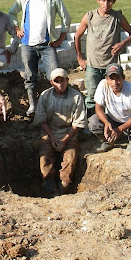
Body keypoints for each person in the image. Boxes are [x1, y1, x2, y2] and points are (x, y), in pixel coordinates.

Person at [9, 0, 71, 116]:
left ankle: (55, 105)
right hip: (27, 44)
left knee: (55, 74)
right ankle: (33, 106)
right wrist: (17, 29)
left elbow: (66, 18)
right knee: (30, 76)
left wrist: (61, 38)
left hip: (46, 44)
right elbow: (12, 12)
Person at [74, 0, 131, 117]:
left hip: (111, 66)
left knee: (112, 94)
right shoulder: (90, 16)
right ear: (98, 0)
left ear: (113, 2)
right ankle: (92, 123)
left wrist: (122, 44)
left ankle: (111, 121)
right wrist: (80, 57)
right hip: (93, 65)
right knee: (91, 97)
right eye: (103, 0)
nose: (106, 4)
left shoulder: (117, 17)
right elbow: (77, 36)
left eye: (109, 1)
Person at [33, 68, 86, 197]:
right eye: (56, 81)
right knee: (44, 156)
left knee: (70, 158)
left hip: (69, 133)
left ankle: (64, 185)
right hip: (49, 132)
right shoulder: (45, 96)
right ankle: (48, 182)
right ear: (51, 82)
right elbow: (41, 120)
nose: (60, 84)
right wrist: (51, 138)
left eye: (62, 80)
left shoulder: (76, 96)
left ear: (67, 80)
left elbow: (77, 123)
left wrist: (65, 139)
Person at [88, 63, 131, 156]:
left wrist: (120, 129)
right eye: (111, 79)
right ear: (107, 79)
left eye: (118, 78)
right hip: (112, 119)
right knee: (93, 122)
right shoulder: (103, 85)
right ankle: (108, 142)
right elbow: (98, 108)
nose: (115, 82)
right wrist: (106, 123)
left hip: (129, 122)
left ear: (123, 78)